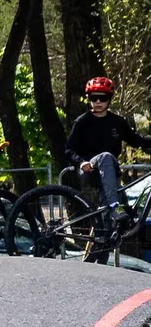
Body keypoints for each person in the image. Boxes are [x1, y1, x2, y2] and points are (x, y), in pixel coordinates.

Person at [64, 76, 151, 225]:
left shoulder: (118, 122)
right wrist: (81, 162)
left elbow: (137, 141)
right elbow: (68, 150)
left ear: (109, 99)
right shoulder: (81, 122)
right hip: (90, 170)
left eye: (103, 98)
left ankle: (106, 233)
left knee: (113, 222)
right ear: (89, 99)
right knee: (106, 156)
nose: (98, 102)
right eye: (94, 98)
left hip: (110, 174)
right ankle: (114, 206)